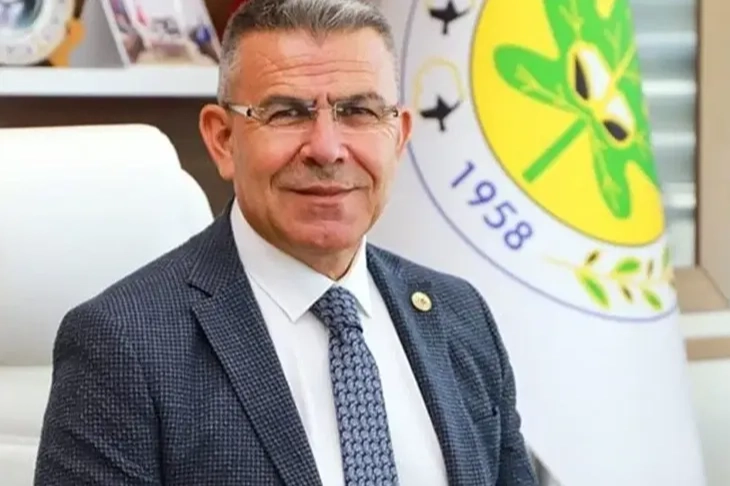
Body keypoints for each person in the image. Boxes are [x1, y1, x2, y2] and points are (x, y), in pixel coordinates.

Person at [34, 0, 538, 484]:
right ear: (223, 140)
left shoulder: (459, 317)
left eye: (359, 111)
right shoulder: (123, 344)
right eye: (287, 113)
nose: (327, 148)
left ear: (399, 136)